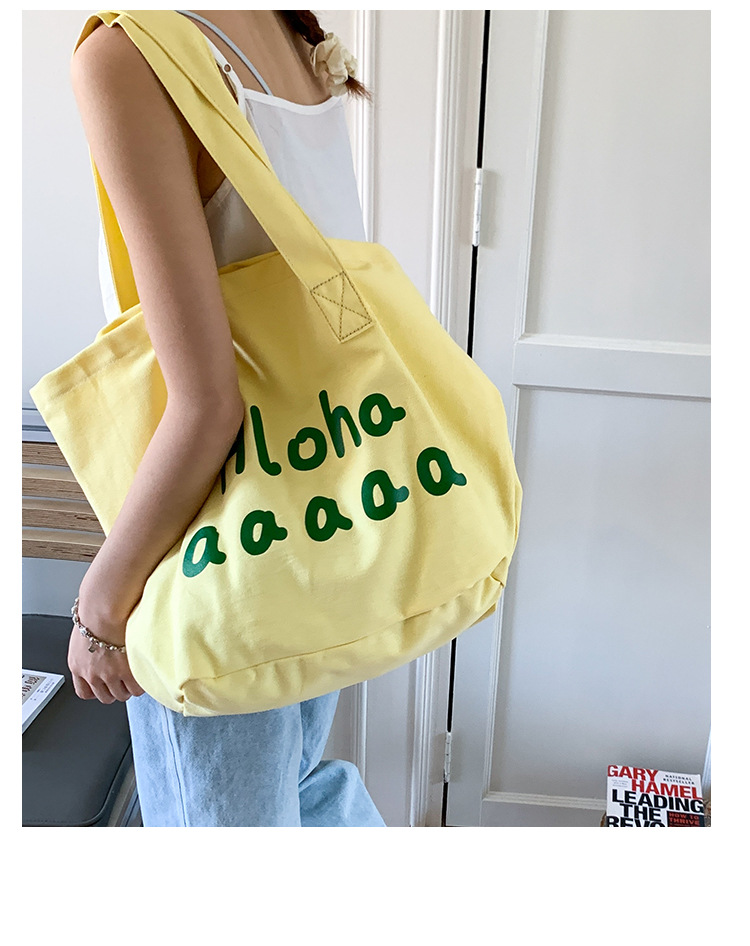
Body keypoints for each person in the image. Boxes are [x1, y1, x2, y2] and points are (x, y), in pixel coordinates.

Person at [66, 9, 385, 828]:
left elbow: (207, 406)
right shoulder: (285, 31)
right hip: (321, 505)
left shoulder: (126, 53)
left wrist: (101, 609)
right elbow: (335, 317)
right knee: (302, 790)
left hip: (214, 541)